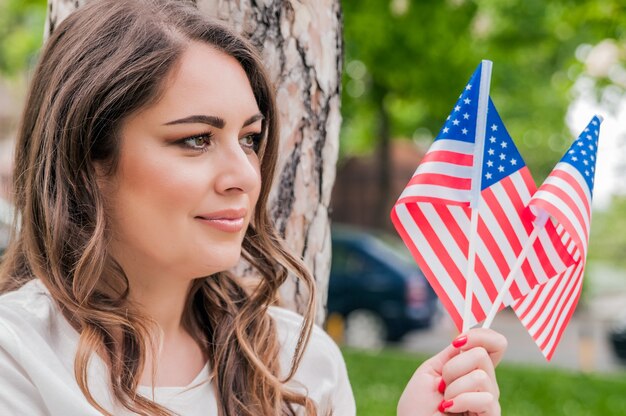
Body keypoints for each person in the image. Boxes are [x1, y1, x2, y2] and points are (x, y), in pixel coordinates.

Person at [0, 0, 507, 415]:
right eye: (196, 139)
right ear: (88, 158)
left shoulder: (298, 361)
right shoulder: (18, 354)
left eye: (249, 139)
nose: (245, 175)